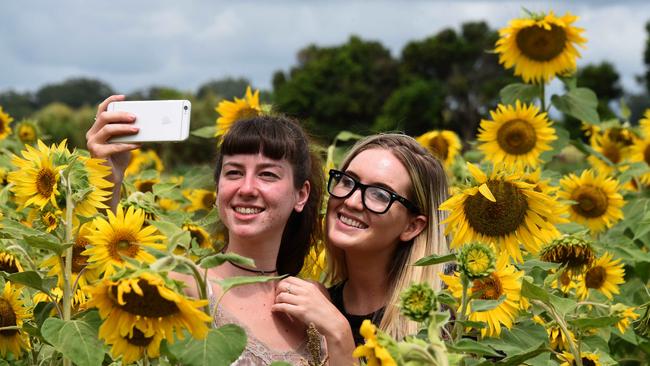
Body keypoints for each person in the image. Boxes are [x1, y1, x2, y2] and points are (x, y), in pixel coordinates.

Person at [86, 95, 326, 365]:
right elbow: (107, 278)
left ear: (301, 195)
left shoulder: (314, 299)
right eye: (233, 173)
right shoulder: (183, 286)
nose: (246, 188)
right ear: (217, 189)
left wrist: (339, 333)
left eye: (267, 174)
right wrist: (108, 180)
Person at [272, 134, 449, 355]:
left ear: (412, 226)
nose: (351, 201)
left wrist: (339, 334)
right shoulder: (312, 309)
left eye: (380, 194)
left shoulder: (449, 320)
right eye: (347, 181)